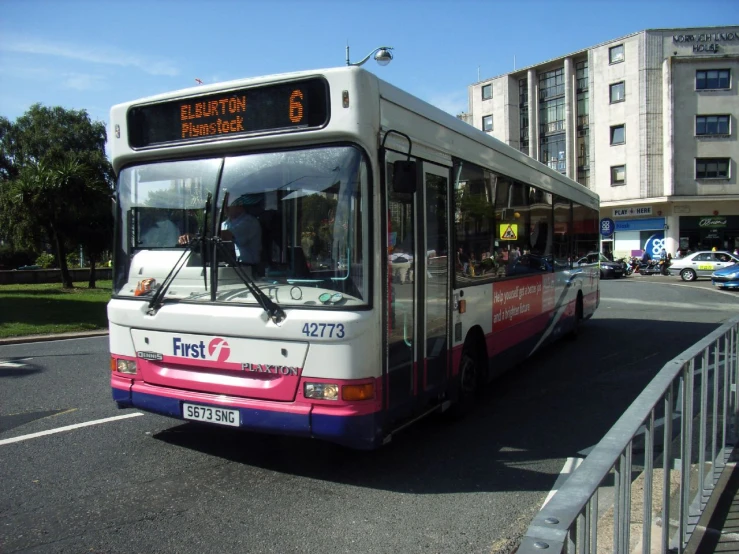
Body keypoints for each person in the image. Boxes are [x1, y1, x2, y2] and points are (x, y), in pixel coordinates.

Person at [222, 195, 262, 266]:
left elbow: (227, 235)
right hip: (231, 266)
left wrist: (208, 234)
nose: (225, 207)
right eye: (223, 204)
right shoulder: (224, 224)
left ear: (239, 204)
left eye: (228, 204)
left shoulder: (250, 222)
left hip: (249, 269)